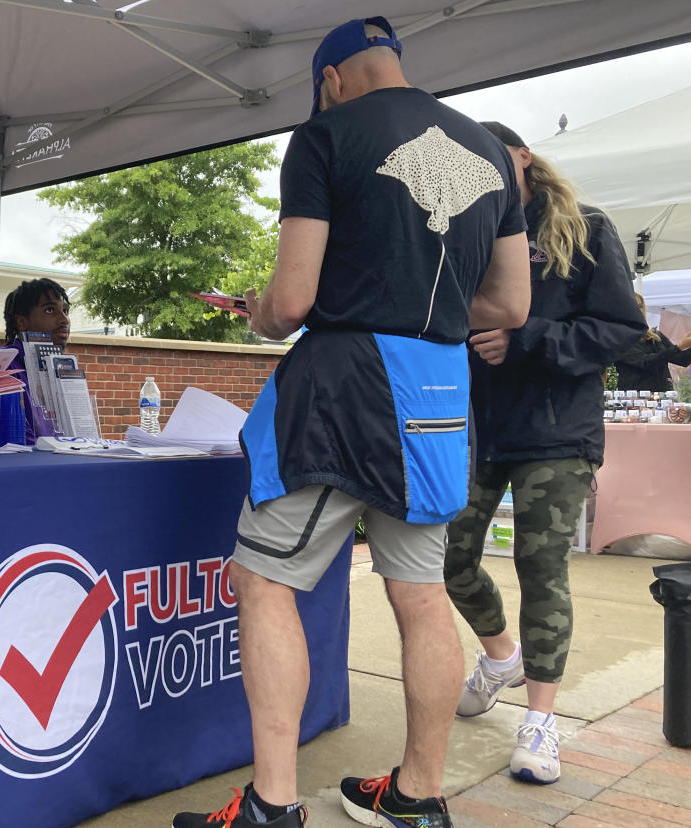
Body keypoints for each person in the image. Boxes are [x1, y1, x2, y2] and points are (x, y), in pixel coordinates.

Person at [174, 17, 531, 828]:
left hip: (344, 398)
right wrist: (419, 304)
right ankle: (418, 796)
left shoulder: (324, 136)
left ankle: (272, 806)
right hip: (440, 399)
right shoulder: (487, 151)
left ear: (331, 77)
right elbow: (511, 304)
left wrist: (261, 314)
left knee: (264, 582)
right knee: (421, 594)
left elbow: (293, 302)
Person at [443, 122, 646, 785]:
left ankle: (540, 724)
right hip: (479, 429)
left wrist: (525, 337)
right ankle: (502, 655)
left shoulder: (582, 227)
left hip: (557, 434)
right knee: (448, 556)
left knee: (540, 565)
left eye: (493, 158)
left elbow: (621, 328)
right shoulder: (464, 235)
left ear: (524, 158)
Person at [1, 278, 71, 442]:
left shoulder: (59, 367)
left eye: (65, 311)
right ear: (21, 322)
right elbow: (18, 442)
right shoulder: (5, 367)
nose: (64, 320)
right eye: (49, 310)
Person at [612, 293, 691, 392]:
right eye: (634, 306)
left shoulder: (655, 336)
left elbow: (681, 359)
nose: (639, 310)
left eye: (641, 306)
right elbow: (646, 362)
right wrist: (679, 347)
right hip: (635, 397)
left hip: (663, 394)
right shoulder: (619, 338)